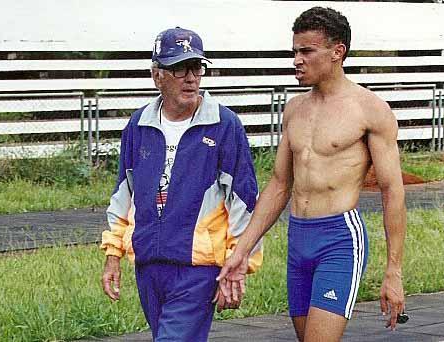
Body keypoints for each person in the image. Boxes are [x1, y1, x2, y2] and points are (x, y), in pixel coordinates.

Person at [217, 6, 407, 341]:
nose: (296, 60)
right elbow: (279, 184)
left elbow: (393, 191)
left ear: (337, 52)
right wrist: (242, 249)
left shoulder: (370, 110)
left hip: (339, 240)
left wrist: (394, 271)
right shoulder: (294, 109)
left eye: (306, 51)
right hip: (298, 239)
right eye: (295, 52)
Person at [100, 27, 262, 341]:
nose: (190, 78)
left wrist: (240, 262)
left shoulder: (224, 125)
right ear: (156, 75)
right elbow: (123, 195)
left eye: (197, 68)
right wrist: (112, 255)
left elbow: (244, 202)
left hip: (197, 269)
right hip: (149, 264)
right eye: (179, 69)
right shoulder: (138, 125)